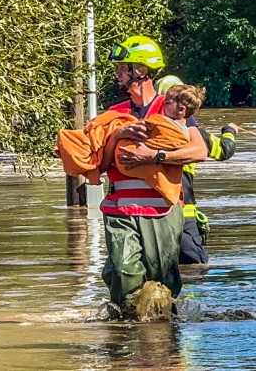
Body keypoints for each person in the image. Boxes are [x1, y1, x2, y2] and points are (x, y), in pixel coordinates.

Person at [94, 35, 207, 314]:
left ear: (141, 71)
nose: (118, 73)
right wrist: (117, 135)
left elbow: (199, 151)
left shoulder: (171, 110)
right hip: (119, 208)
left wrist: (154, 156)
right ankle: (123, 339)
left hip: (161, 212)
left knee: (162, 285)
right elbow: (99, 165)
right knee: (123, 273)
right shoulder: (114, 113)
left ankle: (164, 345)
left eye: (124, 67)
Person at [155, 76, 238, 265]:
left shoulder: (145, 129)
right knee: (195, 266)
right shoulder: (197, 136)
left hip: (151, 214)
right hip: (184, 216)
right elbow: (225, 150)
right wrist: (230, 131)